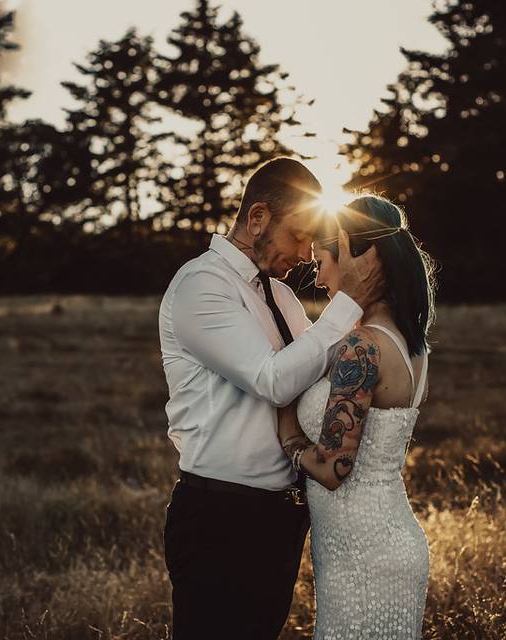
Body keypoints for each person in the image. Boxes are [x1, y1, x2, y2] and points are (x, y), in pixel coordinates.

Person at [158, 157, 385, 639]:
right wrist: (351, 301)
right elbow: (274, 380)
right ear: (257, 218)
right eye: (298, 235)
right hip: (220, 517)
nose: (306, 252)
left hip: (279, 520)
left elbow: (318, 370)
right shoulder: (202, 286)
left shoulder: (281, 297)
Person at [277, 194, 437, 639]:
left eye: (322, 261)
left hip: (365, 554)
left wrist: (288, 430)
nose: (320, 276)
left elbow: (333, 469)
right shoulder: (411, 342)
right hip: (379, 541)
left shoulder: (362, 346)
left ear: (350, 252)